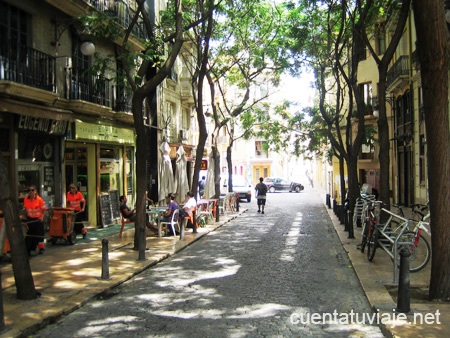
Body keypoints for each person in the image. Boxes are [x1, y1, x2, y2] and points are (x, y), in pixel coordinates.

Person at [23, 185, 47, 255]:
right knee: (29, 235)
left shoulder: (39, 199)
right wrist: (24, 216)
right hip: (30, 219)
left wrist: (42, 217)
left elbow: (44, 209)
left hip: (38, 219)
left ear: (35, 191)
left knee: (39, 235)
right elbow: (25, 209)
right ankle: (28, 249)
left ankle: (41, 248)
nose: (30, 192)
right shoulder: (26, 199)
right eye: (29, 190)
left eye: (32, 190)